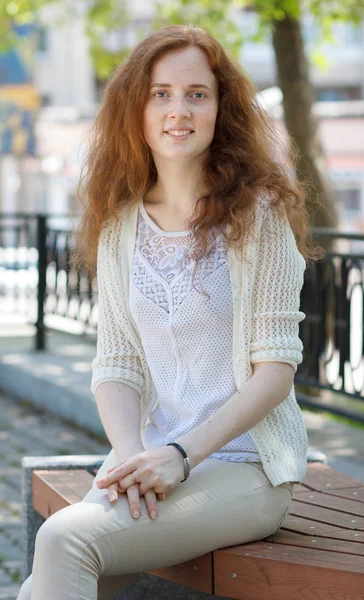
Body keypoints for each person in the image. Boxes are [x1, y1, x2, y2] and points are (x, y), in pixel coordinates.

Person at [17, 23, 320, 600]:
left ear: (218, 109)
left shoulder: (260, 216)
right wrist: (134, 460)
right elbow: (118, 364)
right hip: (151, 455)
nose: (178, 109)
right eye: (161, 93)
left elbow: (276, 372)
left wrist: (181, 457)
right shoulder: (121, 225)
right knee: (47, 582)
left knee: (63, 542)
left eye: (196, 94)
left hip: (245, 467)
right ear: (136, 109)